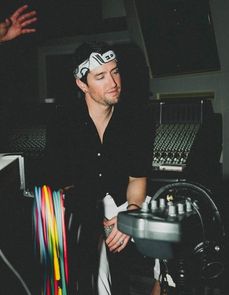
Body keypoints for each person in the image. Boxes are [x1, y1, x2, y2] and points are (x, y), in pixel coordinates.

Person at [45, 41, 153, 294]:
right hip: (80, 206)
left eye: (115, 71)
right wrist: (98, 223)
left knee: (172, 241)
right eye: (100, 76)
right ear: (82, 84)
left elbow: (137, 180)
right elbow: (62, 186)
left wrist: (132, 214)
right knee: (96, 271)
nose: (113, 82)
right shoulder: (63, 122)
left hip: (123, 201)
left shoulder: (137, 119)